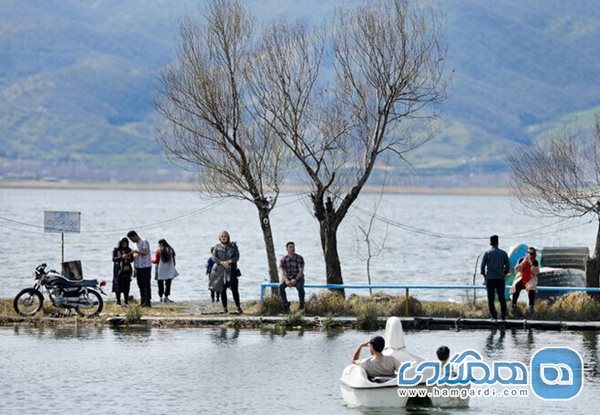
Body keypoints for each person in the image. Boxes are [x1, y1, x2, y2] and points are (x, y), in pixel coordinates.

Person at [209, 230, 242, 314]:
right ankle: (225, 308)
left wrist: (229, 261)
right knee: (222, 290)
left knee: (234, 289)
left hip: (232, 271)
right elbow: (214, 257)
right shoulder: (217, 247)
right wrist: (221, 262)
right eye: (222, 236)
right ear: (220, 238)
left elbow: (237, 257)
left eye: (225, 236)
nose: (224, 238)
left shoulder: (233, 246)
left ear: (228, 237)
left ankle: (238, 307)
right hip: (220, 272)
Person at [480, 235, 510, 320]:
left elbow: (482, 267)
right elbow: (507, 268)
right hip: (500, 279)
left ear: (490, 243)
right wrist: (503, 274)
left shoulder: (487, 253)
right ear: (498, 242)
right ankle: (503, 316)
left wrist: (485, 276)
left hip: (490, 279)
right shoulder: (503, 253)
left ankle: (494, 316)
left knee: (491, 298)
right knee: (502, 298)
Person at [127, 230, 152, 308]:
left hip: (145, 267)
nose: (132, 240)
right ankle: (143, 301)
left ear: (135, 236)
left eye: (132, 239)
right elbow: (135, 257)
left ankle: (147, 302)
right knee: (140, 284)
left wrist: (136, 251)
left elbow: (145, 252)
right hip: (138, 267)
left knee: (146, 284)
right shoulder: (134, 244)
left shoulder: (144, 242)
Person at [510, 246, 539, 314]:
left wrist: (530, 263)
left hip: (530, 279)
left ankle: (531, 306)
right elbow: (517, 269)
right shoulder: (521, 259)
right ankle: (513, 306)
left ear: (534, 254)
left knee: (532, 288)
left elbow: (535, 272)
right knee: (516, 286)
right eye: (528, 253)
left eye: (531, 253)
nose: (529, 255)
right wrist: (523, 261)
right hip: (521, 278)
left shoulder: (535, 262)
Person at [278, 241, 305, 312]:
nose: (292, 249)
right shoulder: (283, 259)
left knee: (300, 288)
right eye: (290, 247)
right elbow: (282, 271)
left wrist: (295, 279)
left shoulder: (299, 258)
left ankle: (302, 305)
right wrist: (286, 280)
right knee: (281, 287)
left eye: (293, 247)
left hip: (298, 277)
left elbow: (301, 272)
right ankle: (286, 304)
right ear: (287, 249)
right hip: (287, 277)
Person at [152, 239, 178, 303]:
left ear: (161, 244)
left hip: (160, 269)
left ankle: (160, 297)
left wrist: (150, 261)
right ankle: (166, 297)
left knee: (160, 284)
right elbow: (174, 261)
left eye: (159, 244)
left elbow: (157, 261)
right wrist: (173, 267)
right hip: (169, 269)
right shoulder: (171, 250)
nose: (158, 246)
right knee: (168, 284)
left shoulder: (159, 251)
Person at [112, 237, 133, 307]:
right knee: (117, 286)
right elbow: (114, 259)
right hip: (118, 270)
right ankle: (118, 301)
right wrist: (121, 257)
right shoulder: (116, 250)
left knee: (126, 286)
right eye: (123, 242)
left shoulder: (129, 250)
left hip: (127, 270)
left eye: (126, 242)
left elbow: (132, 260)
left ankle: (126, 301)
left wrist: (128, 258)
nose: (125, 244)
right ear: (120, 243)